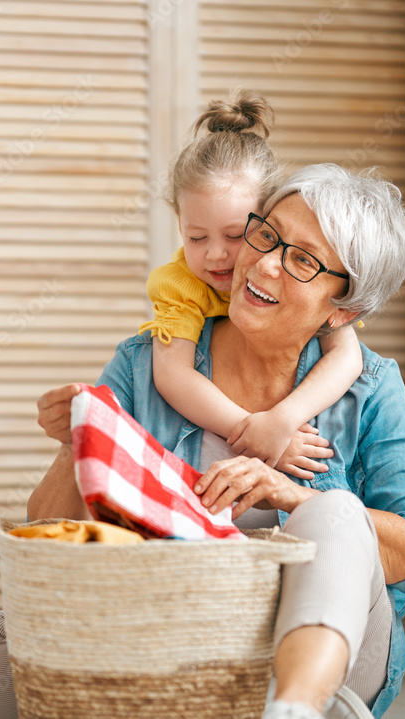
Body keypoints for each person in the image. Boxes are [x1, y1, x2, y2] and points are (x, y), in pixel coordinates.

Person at [0, 164, 405, 719]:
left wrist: (289, 494)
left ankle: (292, 707)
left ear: (342, 309)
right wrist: (76, 444)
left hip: (322, 649)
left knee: (339, 515)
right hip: (168, 639)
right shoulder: (145, 359)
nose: (262, 262)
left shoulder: (370, 387)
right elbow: (48, 536)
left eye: (301, 260)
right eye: (267, 233)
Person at [141, 90, 362, 473]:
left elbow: (346, 356)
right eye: (196, 237)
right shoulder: (180, 285)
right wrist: (252, 431)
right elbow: (173, 376)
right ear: (180, 224)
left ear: (268, 222)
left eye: (234, 236)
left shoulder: (301, 286)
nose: (215, 255)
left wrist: (282, 420)